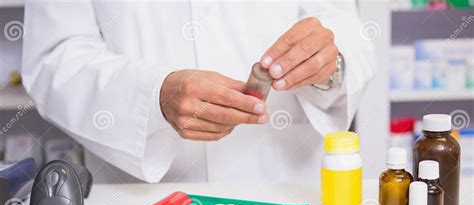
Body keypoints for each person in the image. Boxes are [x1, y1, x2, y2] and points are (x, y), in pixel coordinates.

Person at [22, 0, 376, 183]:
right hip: (142, 204)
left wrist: (331, 66)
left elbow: (339, 20)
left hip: (286, 187)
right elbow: (55, 54)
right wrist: (153, 95)